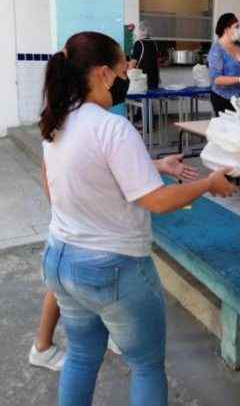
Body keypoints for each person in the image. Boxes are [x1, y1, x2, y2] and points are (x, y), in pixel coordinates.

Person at [38, 31, 236, 406]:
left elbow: (58, 186)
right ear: (103, 74)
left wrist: (153, 164)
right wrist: (209, 183)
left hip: (60, 259)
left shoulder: (56, 122)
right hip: (112, 267)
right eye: (123, 68)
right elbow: (157, 201)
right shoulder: (112, 127)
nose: (127, 74)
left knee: (81, 355)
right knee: (145, 366)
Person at [29, 153, 198, 372]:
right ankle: (42, 346)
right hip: (82, 226)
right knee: (77, 282)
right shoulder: (81, 127)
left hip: (75, 223)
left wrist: (157, 165)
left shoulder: (67, 128)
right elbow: (152, 197)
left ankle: (54, 344)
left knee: (71, 281)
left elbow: (109, 167)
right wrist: (208, 184)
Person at [208, 13, 240, 116]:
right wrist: (239, 79)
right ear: (226, 29)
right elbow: (216, 79)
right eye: (236, 27)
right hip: (224, 99)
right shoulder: (217, 50)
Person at [129, 21, 160, 90]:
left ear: (141, 31)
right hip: (154, 79)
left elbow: (133, 62)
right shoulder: (154, 43)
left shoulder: (138, 43)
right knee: (150, 98)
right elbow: (157, 63)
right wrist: (159, 77)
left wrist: (128, 75)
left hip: (141, 80)